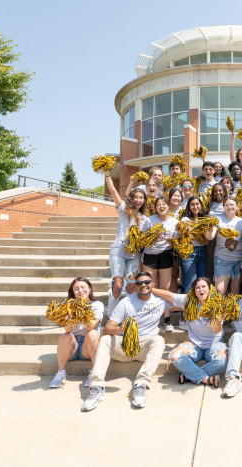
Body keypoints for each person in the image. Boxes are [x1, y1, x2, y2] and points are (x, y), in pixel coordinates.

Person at [82, 272, 169, 412]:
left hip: (145, 348)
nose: (143, 285)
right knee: (104, 340)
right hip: (125, 345)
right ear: (135, 286)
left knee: (159, 340)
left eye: (147, 282)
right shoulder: (126, 302)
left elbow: (184, 301)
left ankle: (141, 384)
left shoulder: (160, 300)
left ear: (153, 284)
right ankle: (97, 387)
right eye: (139, 283)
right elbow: (107, 328)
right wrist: (119, 330)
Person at [152, 278, 227, 387]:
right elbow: (169, 296)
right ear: (194, 291)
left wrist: (219, 320)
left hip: (214, 343)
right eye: (197, 287)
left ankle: (189, 375)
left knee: (222, 361)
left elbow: (217, 330)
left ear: (210, 288)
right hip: (195, 344)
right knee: (175, 356)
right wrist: (151, 289)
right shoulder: (189, 300)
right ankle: (206, 379)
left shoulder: (217, 303)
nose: (201, 290)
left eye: (203, 286)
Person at [49, 277, 104, 389]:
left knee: (92, 333)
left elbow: (90, 327)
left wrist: (82, 309)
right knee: (66, 336)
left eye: (83, 287)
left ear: (89, 289)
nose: (80, 291)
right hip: (73, 346)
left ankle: (94, 373)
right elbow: (68, 330)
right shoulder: (68, 306)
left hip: (87, 346)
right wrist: (68, 315)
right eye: (76, 289)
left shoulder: (97, 305)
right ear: (73, 292)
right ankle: (61, 373)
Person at [104, 172, 147, 317]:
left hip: (134, 255)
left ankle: (128, 317)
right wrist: (107, 175)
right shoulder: (123, 210)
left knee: (131, 285)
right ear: (131, 199)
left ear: (144, 201)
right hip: (118, 251)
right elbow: (113, 192)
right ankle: (112, 316)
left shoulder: (145, 219)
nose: (138, 200)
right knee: (117, 285)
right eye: (136, 197)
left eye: (141, 198)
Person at [141, 196, 179, 331]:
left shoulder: (175, 222)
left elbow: (178, 242)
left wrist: (171, 243)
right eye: (159, 204)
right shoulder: (149, 220)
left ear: (169, 207)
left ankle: (167, 319)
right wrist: (152, 240)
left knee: (165, 288)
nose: (161, 206)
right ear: (155, 207)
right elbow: (142, 240)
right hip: (150, 255)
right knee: (151, 286)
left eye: (164, 204)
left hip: (166, 255)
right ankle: (152, 320)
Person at [180, 195, 215, 296]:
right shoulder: (185, 220)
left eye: (197, 204)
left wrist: (207, 233)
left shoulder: (205, 220)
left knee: (202, 286)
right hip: (189, 253)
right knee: (190, 286)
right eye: (192, 204)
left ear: (201, 205)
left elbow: (206, 243)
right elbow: (183, 240)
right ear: (189, 206)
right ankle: (187, 311)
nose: (195, 206)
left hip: (202, 252)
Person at [214, 197, 242, 295]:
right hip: (222, 259)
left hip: (238, 260)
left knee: (235, 292)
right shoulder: (218, 220)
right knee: (220, 290)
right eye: (226, 205)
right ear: (223, 207)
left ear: (237, 207)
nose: (229, 207)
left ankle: (231, 310)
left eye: (232, 205)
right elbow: (210, 237)